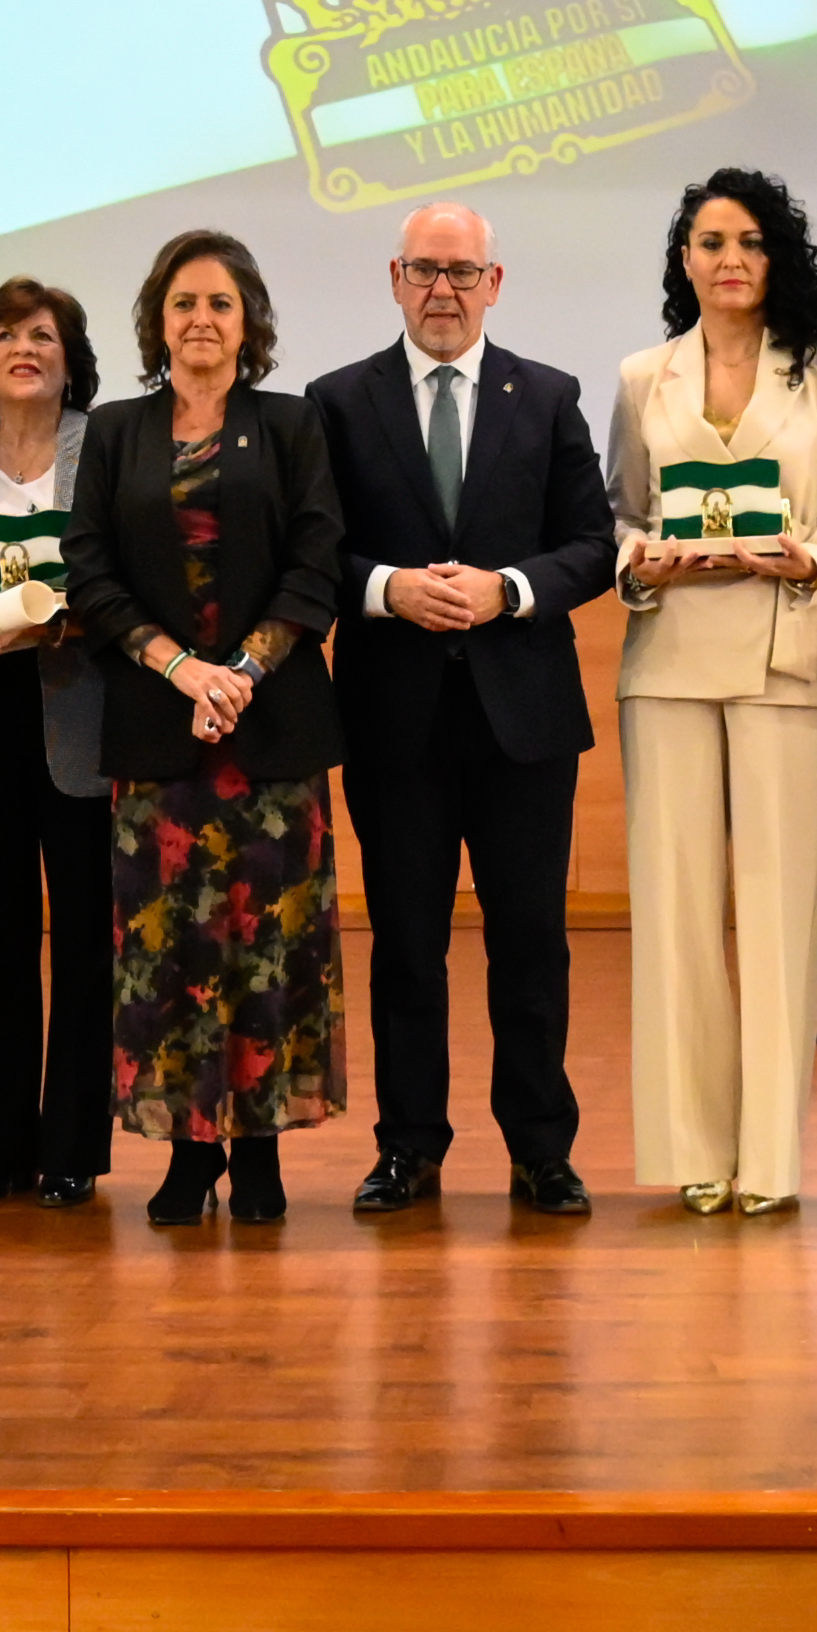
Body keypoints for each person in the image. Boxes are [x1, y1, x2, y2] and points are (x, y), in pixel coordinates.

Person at [308, 203, 613, 1217]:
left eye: (463, 271)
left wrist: (509, 590)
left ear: (495, 283)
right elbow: (315, 552)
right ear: (395, 278)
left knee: (530, 945)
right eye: (425, 270)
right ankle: (408, 1148)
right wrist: (387, 587)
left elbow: (591, 545)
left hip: (523, 724)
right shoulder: (337, 402)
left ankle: (541, 1151)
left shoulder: (549, 396)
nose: (443, 290)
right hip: (393, 723)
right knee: (406, 946)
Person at [67, 230, 349, 1228]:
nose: (201, 319)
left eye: (220, 303)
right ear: (158, 320)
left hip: (271, 738)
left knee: (268, 942)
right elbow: (89, 568)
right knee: (172, 950)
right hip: (159, 735)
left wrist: (242, 673)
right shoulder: (116, 431)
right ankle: (190, 1156)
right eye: (183, 302)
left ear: (248, 322)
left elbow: (316, 561)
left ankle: (260, 1151)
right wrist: (180, 667)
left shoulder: (292, 423)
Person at [607, 168, 817, 1219]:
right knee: (675, 915)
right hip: (668, 660)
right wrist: (642, 560)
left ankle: (770, 1158)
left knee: (779, 916)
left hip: (786, 662)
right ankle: (695, 1152)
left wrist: (811, 561)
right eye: (712, 242)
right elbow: (622, 514)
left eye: (751, 242)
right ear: (685, 259)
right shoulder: (642, 376)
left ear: (777, 258)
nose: (730, 260)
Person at [0, 278, 113, 1208]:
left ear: (70, 359)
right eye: (4, 334)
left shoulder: (105, 447)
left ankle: (72, 1149)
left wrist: (58, 618)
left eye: (42, 334)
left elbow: (129, 579)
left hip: (80, 713)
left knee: (83, 941)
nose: (23, 348)